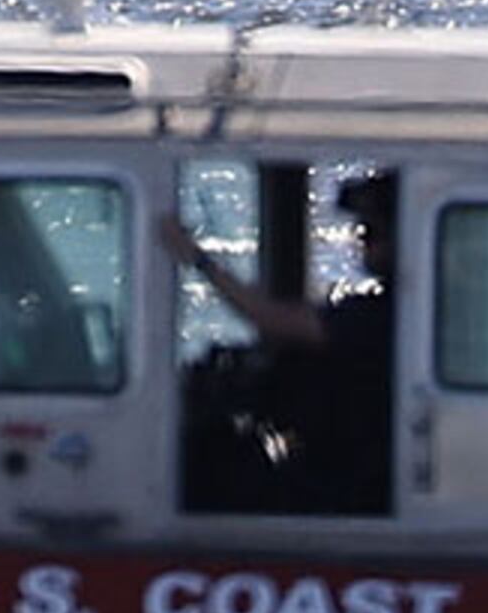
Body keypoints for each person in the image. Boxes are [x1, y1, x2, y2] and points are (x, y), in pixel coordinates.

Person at [160, 172, 397, 510]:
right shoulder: (387, 309)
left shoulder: (378, 317)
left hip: (352, 480)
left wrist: (198, 260)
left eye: (372, 231)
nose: (361, 239)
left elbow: (271, 319)